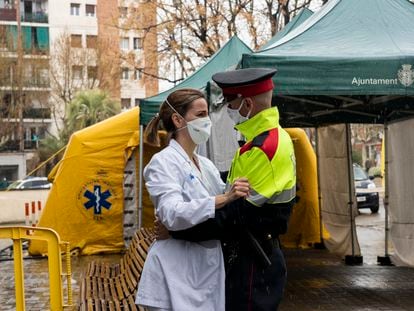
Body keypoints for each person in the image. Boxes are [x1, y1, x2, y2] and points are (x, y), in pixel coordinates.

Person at [168, 68, 297, 310]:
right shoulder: (264, 140)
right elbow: (231, 189)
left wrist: (176, 229)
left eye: (230, 103)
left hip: (253, 259)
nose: (226, 110)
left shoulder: (264, 148)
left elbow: (234, 217)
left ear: (247, 104)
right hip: (253, 254)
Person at [135, 88, 250, 311]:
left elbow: (224, 212)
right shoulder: (162, 163)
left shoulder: (206, 165)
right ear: (178, 120)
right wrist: (223, 198)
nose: (206, 120)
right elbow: (171, 213)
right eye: (200, 114)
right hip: (174, 271)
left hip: (205, 269)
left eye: (207, 114)